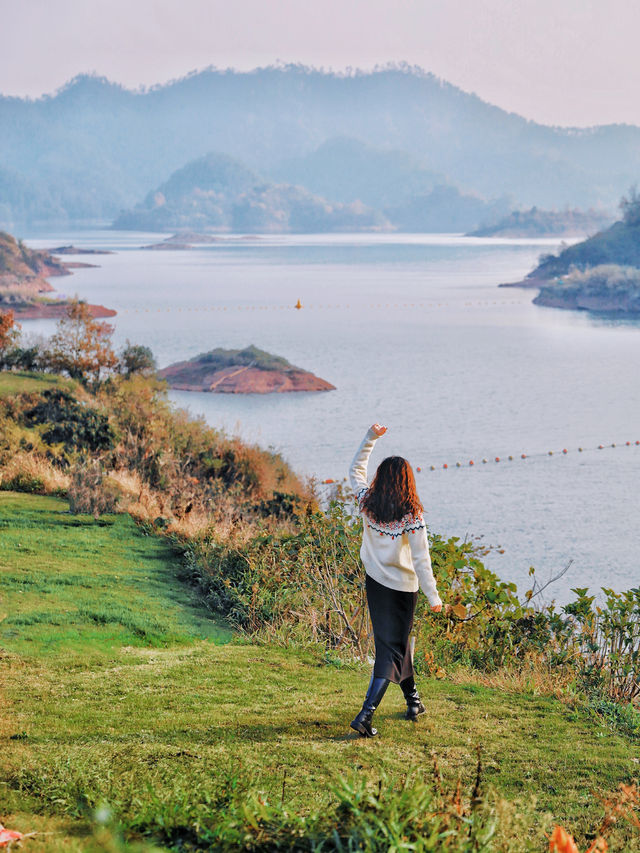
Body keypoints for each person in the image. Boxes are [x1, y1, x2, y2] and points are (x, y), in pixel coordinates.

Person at [349, 423, 442, 737]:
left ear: (382, 479)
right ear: (407, 482)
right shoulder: (411, 516)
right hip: (402, 590)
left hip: (375, 584)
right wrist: (433, 596)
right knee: (391, 651)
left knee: (394, 646)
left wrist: (370, 438)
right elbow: (420, 559)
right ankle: (365, 715)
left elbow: (355, 470)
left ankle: (413, 701)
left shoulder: (367, 502)